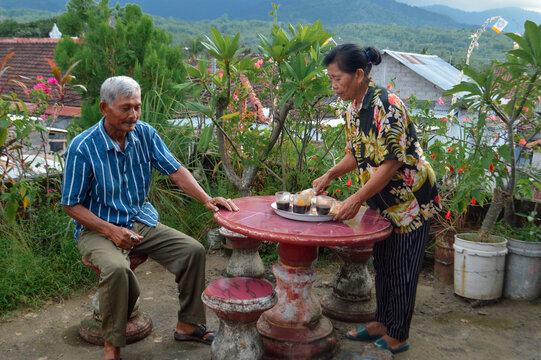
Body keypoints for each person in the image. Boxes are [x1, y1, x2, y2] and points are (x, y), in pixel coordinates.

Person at [61, 76, 239, 360]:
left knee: (192, 251)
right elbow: (71, 205)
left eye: (137, 107)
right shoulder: (83, 147)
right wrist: (110, 231)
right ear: (104, 108)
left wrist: (207, 198)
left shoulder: (144, 134)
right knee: (117, 270)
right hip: (96, 228)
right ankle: (112, 348)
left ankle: (188, 324)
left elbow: (175, 170)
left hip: (139, 219)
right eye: (125, 108)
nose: (133, 115)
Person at [313, 45, 441, 355]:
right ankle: (381, 322)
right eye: (330, 79)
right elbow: (356, 154)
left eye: (337, 78)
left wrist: (355, 199)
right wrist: (330, 175)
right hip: (382, 199)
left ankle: (399, 333)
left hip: (410, 199)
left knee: (403, 269)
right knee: (383, 264)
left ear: (359, 74)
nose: (333, 86)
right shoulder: (353, 107)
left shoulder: (389, 105)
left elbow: (392, 162)